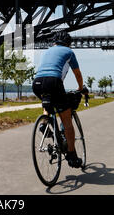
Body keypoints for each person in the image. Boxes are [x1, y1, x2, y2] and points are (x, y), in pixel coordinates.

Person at [32, 31, 84, 168]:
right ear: (68, 43)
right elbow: (77, 74)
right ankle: (72, 156)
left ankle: (44, 121)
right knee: (66, 120)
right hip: (54, 82)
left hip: (37, 83)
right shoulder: (69, 52)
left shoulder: (46, 51)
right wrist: (80, 88)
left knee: (47, 102)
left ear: (54, 42)